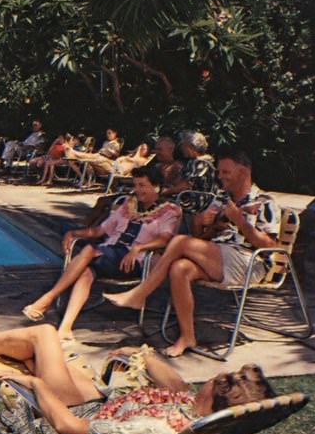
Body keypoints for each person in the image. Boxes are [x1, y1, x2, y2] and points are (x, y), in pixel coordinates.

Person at [0, 306, 275, 434]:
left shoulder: (149, 431)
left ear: (215, 389)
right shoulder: (190, 416)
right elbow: (177, 384)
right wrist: (140, 354)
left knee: (44, 335)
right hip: (98, 406)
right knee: (40, 354)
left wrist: (33, 384)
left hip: (72, 418)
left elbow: (66, 426)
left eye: (216, 380)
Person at [106, 149, 281, 357]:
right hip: (219, 258)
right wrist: (202, 224)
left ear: (243, 172)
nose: (220, 176)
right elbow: (202, 240)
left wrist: (240, 221)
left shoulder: (264, 201)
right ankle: (187, 336)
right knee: (180, 268)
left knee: (180, 241)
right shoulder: (222, 199)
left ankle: (140, 294)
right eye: (220, 171)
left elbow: (271, 246)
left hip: (249, 262)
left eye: (226, 172)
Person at [21, 166, 182, 340]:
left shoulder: (169, 211)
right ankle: (66, 328)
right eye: (136, 185)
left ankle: (48, 298)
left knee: (89, 250)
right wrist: (73, 233)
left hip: (133, 261)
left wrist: (139, 248)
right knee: (86, 273)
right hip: (110, 253)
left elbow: (166, 239)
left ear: (156, 186)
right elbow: (99, 231)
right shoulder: (128, 204)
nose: (138, 190)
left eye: (142, 185)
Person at [163, 130, 217, 212]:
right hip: (189, 201)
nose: (182, 149)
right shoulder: (192, 162)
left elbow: (188, 185)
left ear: (191, 146)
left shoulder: (202, 163)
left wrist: (165, 191)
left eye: (183, 145)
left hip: (198, 204)